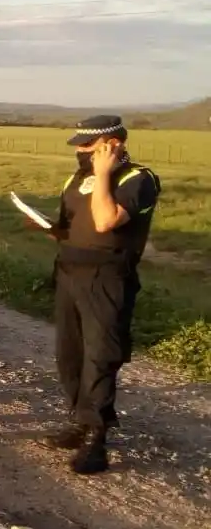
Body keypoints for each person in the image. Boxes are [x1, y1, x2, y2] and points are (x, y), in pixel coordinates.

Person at [34, 115, 161, 475]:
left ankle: (97, 437)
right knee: (70, 355)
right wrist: (48, 227)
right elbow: (70, 227)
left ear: (112, 144)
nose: (80, 151)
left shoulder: (138, 180)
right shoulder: (76, 179)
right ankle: (79, 421)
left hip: (106, 279)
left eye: (87, 145)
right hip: (69, 274)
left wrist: (104, 173)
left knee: (100, 356)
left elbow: (106, 221)